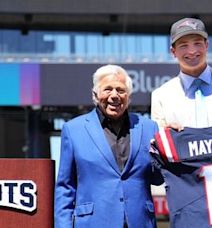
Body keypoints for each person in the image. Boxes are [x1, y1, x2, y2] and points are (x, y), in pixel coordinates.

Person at [54, 65, 163, 228]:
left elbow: (158, 178)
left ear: (129, 96)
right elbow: (65, 187)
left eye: (120, 90)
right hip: (92, 223)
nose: (114, 96)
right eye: (107, 89)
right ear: (95, 95)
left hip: (140, 222)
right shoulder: (73, 130)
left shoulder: (149, 128)